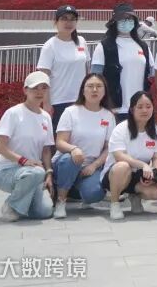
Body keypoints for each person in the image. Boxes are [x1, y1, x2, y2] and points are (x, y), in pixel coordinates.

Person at [0, 71, 55, 221]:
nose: (39, 92)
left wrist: (49, 174)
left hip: (33, 173)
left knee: (45, 212)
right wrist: (23, 161)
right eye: (34, 88)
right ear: (25, 90)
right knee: (36, 172)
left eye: (44, 88)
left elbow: (46, 150)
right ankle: (12, 205)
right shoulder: (13, 113)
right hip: (7, 171)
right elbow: (0, 147)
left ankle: (22, 203)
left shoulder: (46, 117)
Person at [51, 73, 115, 217]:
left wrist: (94, 165)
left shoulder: (108, 116)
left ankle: (74, 190)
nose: (94, 90)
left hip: (89, 167)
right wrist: (74, 149)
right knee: (70, 159)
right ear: (83, 90)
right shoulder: (71, 112)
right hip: (67, 162)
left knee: (95, 193)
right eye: (90, 86)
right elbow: (60, 142)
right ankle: (61, 200)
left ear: (104, 91)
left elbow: (108, 148)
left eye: (99, 86)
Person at [102, 90, 157, 220]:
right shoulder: (121, 129)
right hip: (116, 174)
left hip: (139, 174)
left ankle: (135, 196)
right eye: (140, 107)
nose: (144, 110)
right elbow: (119, 156)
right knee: (122, 166)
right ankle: (115, 203)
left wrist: (154, 173)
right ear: (132, 109)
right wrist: (143, 165)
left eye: (148, 106)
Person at [90, 3, 152, 123]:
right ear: (114, 22)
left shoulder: (143, 46)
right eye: (122, 19)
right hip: (115, 109)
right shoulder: (104, 46)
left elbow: (151, 75)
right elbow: (95, 78)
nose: (126, 22)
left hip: (139, 109)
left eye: (130, 19)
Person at [37, 5, 88, 130]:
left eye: (72, 19)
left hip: (80, 100)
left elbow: (87, 71)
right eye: (64, 18)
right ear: (56, 22)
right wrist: (46, 103)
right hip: (58, 101)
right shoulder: (50, 46)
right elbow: (43, 77)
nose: (68, 23)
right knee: (60, 137)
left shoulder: (81, 41)